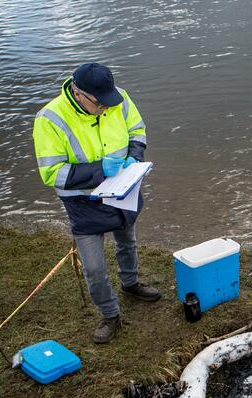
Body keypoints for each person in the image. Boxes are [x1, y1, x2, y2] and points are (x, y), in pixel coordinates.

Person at [32, 63, 161, 344]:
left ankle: (131, 283)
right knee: (93, 267)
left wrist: (134, 157)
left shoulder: (118, 97)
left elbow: (137, 130)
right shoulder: (49, 119)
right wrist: (99, 169)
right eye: (99, 104)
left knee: (127, 241)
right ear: (78, 94)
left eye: (108, 102)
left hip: (123, 189)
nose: (105, 108)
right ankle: (110, 314)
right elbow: (52, 173)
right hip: (83, 202)